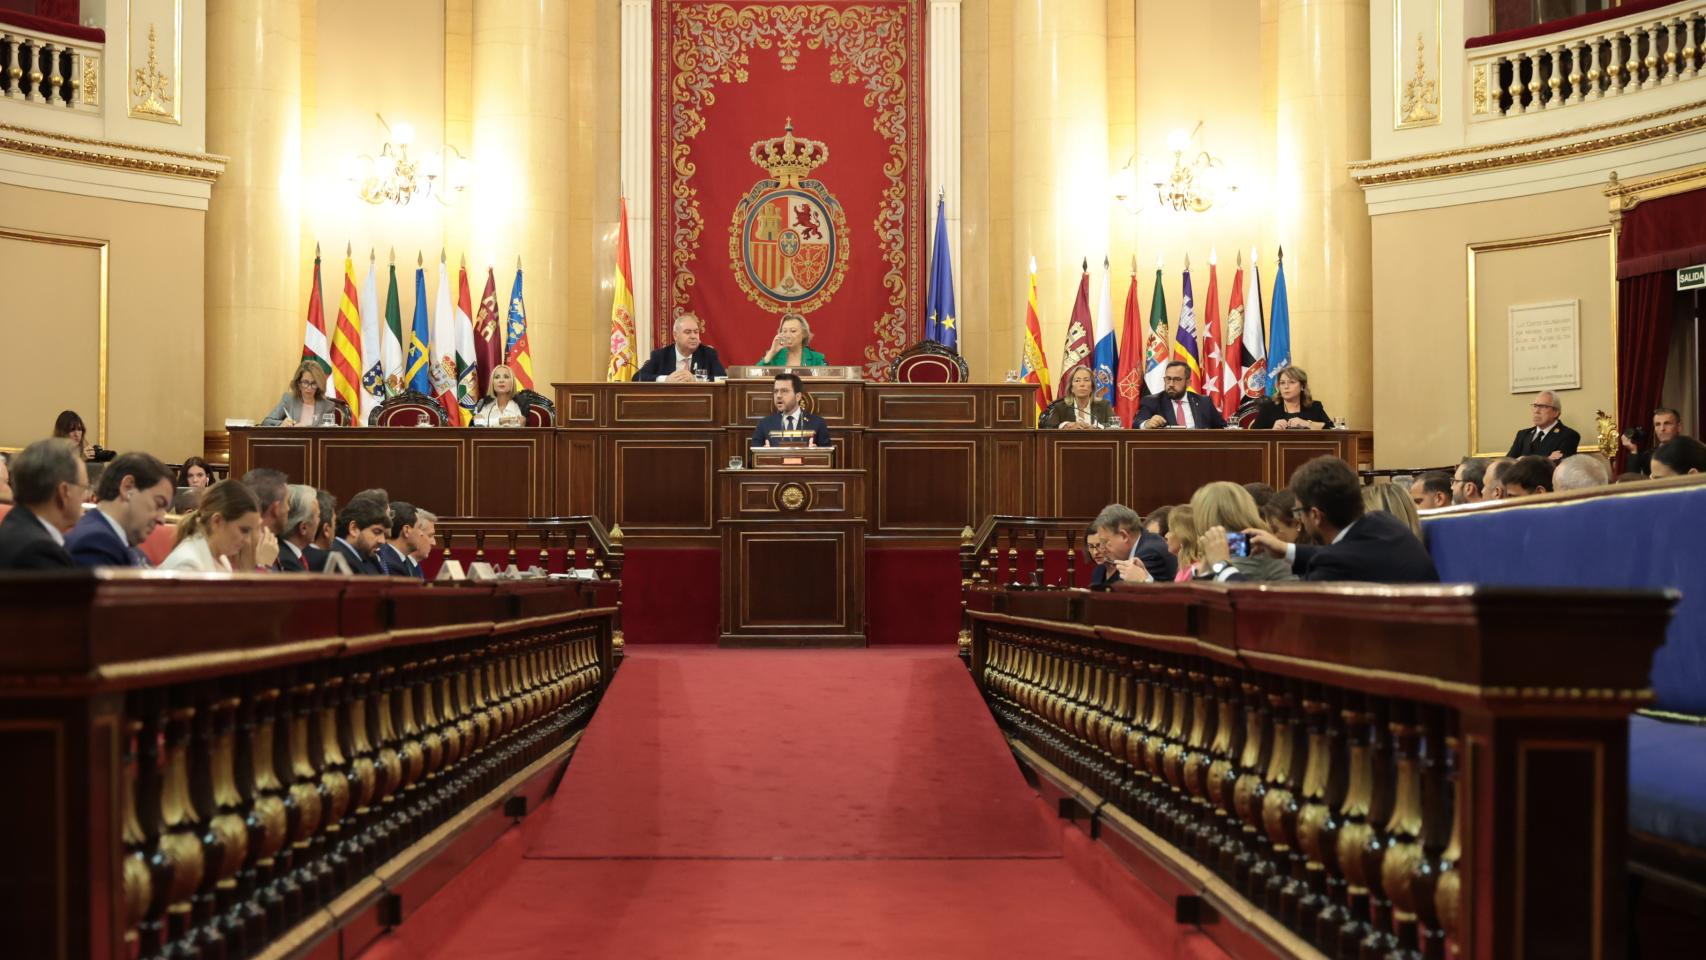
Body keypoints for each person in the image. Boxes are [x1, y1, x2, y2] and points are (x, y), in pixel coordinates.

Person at [1239, 456, 1438, 583]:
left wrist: (1220, 567)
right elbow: (1341, 551)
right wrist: (1284, 550)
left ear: (1315, 516)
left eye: (1299, 511)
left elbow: (1278, 612)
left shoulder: (1334, 567)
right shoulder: (1384, 523)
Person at [65, 452, 174, 568]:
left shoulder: (126, 546)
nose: (162, 519)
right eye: (159, 503)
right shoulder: (95, 544)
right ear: (128, 487)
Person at [0, 439, 85, 569]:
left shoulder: (15, 524)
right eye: (83, 488)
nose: (85, 496)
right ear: (64, 491)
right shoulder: (39, 552)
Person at [1190, 481, 1296, 582]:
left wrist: (1214, 566)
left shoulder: (1249, 550)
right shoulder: (1244, 542)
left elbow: (1225, 593)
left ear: (1204, 517)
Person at [160, 480, 262, 573]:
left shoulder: (221, 558)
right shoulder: (188, 565)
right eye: (244, 530)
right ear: (217, 521)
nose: (247, 540)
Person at [1090, 503, 1178, 585]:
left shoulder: (1149, 552)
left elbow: (1123, 596)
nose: (1102, 549)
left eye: (1104, 542)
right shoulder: (1143, 544)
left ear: (1124, 536)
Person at [637, 313, 726, 382]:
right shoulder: (661, 355)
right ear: (675, 336)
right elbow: (638, 377)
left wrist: (695, 379)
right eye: (688, 332)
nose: (693, 336)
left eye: (696, 332)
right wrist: (666, 379)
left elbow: (723, 379)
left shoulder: (708, 354)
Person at [1135, 361, 1227, 429]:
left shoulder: (1204, 402)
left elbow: (1221, 427)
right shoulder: (1152, 401)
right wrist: (1147, 423)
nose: (1171, 384)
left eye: (1176, 379)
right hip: (1167, 452)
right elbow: (1137, 423)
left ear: (1188, 383)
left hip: (1199, 451)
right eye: (1168, 379)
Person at [751, 373, 831, 448]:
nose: (778, 396)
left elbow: (829, 458)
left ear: (798, 396)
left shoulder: (818, 423)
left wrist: (817, 454)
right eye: (776, 391)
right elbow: (752, 459)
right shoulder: (764, 424)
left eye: (784, 391)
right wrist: (763, 455)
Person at [324, 494, 391, 574]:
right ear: (353, 528)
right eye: (376, 532)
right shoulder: (336, 559)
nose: (382, 541)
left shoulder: (369, 557)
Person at [1505, 390, 1579, 462]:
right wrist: (1547, 459)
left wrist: (1521, 460)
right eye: (1535, 406)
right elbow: (1507, 464)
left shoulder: (1568, 436)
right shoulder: (1523, 435)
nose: (1536, 411)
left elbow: (1558, 467)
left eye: (1543, 406)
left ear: (1555, 412)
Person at [1250, 366, 1332, 430]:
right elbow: (1253, 434)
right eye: (1282, 383)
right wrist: (1273, 430)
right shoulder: (1268, 408)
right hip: (1276, 450)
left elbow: (1331, 429)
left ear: (1302, 386)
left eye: (1292, 382)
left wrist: (1307, 424)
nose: (1286, 387)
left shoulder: (1315, 407)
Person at [261, 360, 338, 427]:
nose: (309, 388)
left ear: (319, 385)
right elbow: (266, 422)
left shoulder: (327, 406)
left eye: (314, 383)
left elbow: (328, 434)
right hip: (292, 443)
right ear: (298, 383)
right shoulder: (289, 399)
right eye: (305, 382)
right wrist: (282, 424)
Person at [1039, 366, 1119, 430]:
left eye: (1086, 380)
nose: (1082, 384)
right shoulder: (1060, 407)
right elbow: (1047, 427)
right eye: (1077, 380)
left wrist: (1096, 428)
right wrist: (1066, 425)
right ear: (1071, 388)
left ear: (1092, 387)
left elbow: (1115, 426)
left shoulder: (1104, 405)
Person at [1624, 408, 1685, 475]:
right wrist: (1633, 451)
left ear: (1679, 427)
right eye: (1658, 424)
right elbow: (1632, 481)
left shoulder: (1688, 451)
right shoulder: (1648, 455)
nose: (1662, 429)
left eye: (1667, 423)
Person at [378, 501, 431, 578]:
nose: (421, 534)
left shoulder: (406, 560)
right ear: (406, 530)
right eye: (419, 527)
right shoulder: (390, 564)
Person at [275, 484, 320, 572]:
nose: (319, 521)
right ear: (303, 528)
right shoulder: (287, 563)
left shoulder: (294, 554)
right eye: (318, 516)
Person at [757, 313, 827, 367]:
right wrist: (772, 351)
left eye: (793, 331)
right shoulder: (773, 356)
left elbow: (826, 382)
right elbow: (755, 376)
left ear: (804, 334)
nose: (788, 335)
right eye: (784, 331)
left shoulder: (816, 358)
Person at [1162, 504, 1200, 581]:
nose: (1166, 535)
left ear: (1184, 536)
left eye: (1170, 530)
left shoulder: (1195, 571)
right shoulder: (1185, 567)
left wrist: (1145, 580)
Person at [305, 489, 338, 571]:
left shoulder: (294, 554)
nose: (335, 529)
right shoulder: (328, 560)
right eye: (334, 523)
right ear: (326, 530)